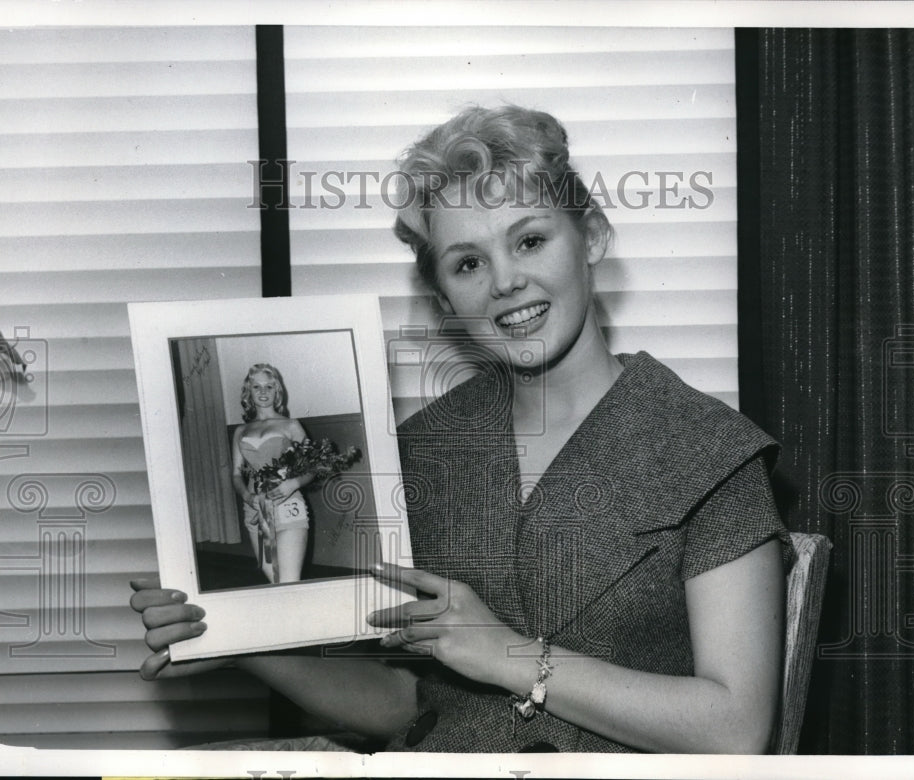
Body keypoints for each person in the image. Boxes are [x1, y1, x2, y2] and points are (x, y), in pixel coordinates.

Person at [131, 105, 793, 753]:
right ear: (445, 296)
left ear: (590, 237)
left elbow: (735, 729)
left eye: (530, 240)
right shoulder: (423, 449)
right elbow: (408, 707)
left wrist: (508, 656)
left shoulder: (711, 449)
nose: (506, 282)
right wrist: (229, 639)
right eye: (468, 263)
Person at [231, 363, 313, 584]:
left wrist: (292, 484)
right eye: (257, 387)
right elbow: (237, 474)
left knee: (289, 581)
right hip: (256, 511)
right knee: (276, 582)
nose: (263, 392)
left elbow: (313, 467)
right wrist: (247, 497)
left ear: (277, 390)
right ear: (249, 391)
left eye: (269, 386)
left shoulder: (291, 425)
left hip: (287, 506)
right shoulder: (241, 431)